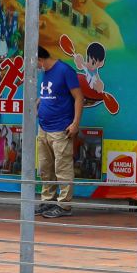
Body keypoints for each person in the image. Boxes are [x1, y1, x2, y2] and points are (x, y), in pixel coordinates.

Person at [35, 45, 84, 219]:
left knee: (62, 169)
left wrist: (75, 123)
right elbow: (51, 93)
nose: (34, 66)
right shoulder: (45, 72)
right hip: (43, 128)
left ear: (40, 58)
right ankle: (48, 200)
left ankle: (64, 205)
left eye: (34, 62)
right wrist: (39, 103)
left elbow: (79, 97)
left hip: (61, 129)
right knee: (45, 168)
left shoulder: (65, 70)